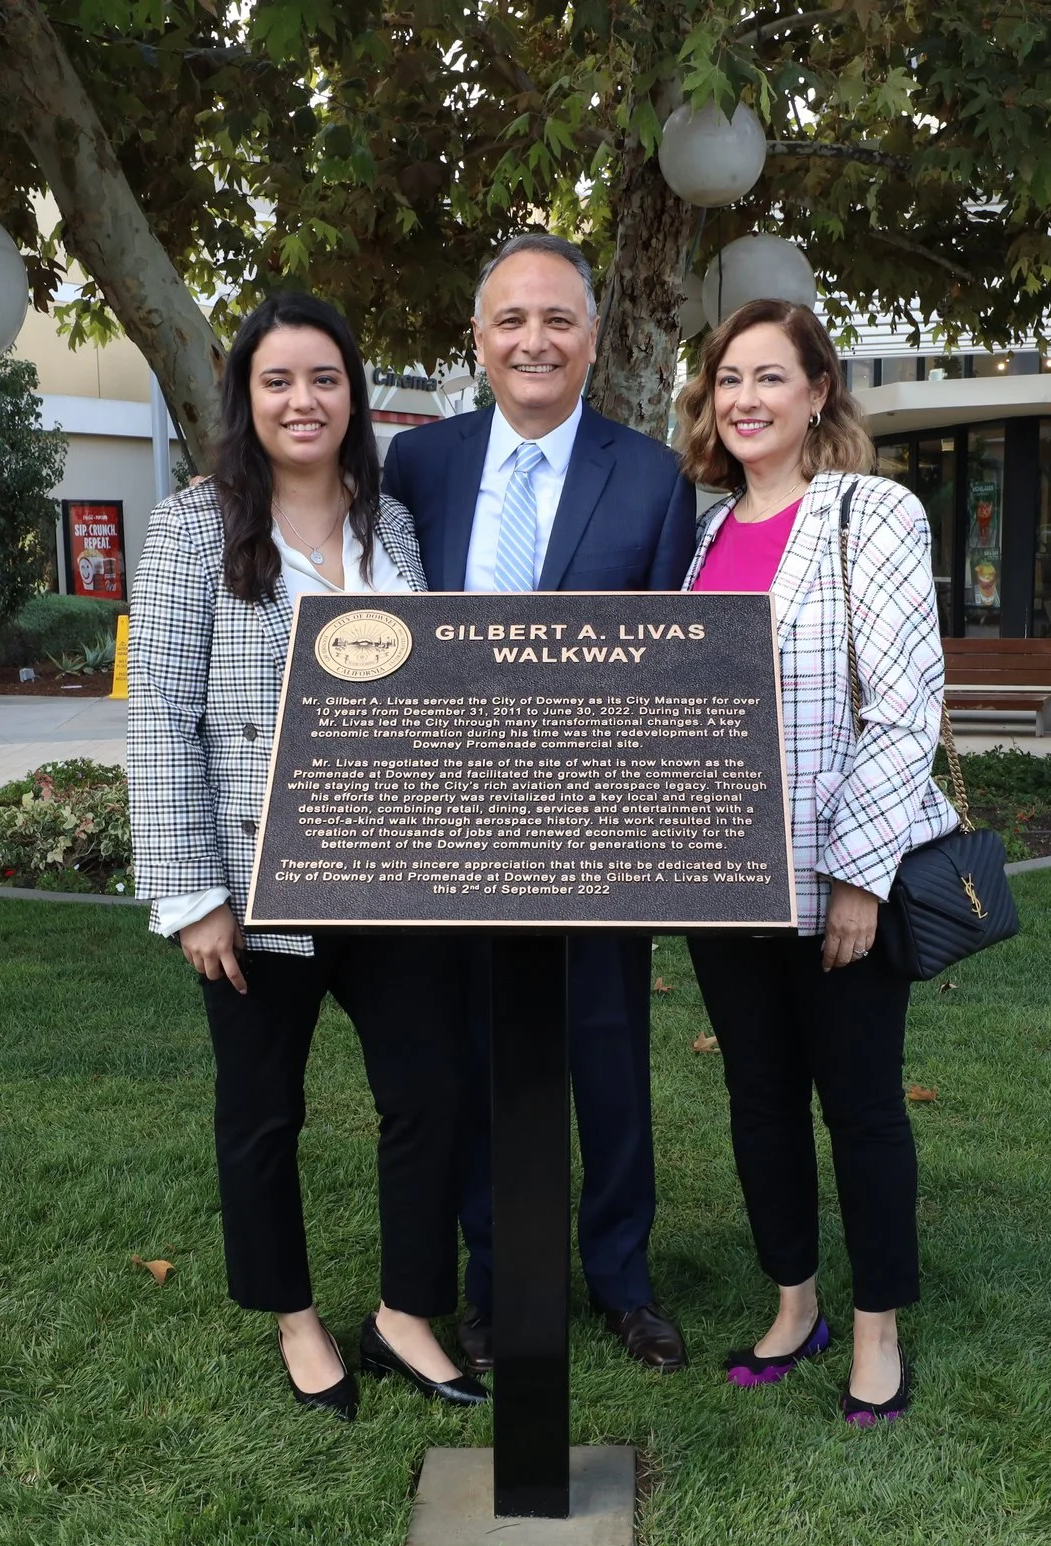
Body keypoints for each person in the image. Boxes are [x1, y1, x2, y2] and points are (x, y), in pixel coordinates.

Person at [128, 291, 485, 1420]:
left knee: (430, 1094)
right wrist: (192, 896)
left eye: (323, 378)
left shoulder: (397, 527)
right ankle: (294, 1318)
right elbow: (160, 718)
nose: (302, 399)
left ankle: (405, 1313)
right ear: (245, 395)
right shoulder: (194, 525)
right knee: (262, 1107)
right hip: (253, 880)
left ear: (354, 394)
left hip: (393, 874)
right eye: (277, 379)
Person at [381, 232, 698, 1375]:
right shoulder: (414, 471)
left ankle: (621, 1276)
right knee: (471, 1059)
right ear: (477, 339)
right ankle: (494, 1278)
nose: (533, 339)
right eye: (510, 319)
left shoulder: (653, 477)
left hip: (602, 832)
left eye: (557, 319)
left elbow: (673, 667)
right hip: (456, 833)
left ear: (595, 340)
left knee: (606, 1059)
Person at [675, 298, 958, 1425]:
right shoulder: (701, 534)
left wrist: (854, 873)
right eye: (727, 379)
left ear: (817, 393)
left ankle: (877, 1328)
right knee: (757, 1101)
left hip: (843, 871)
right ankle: (795, 1303)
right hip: (724, 872)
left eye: (769, 378)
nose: (744, 398)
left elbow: (905, 708)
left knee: (862, 1104)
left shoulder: (869, 513)